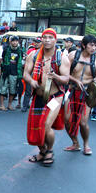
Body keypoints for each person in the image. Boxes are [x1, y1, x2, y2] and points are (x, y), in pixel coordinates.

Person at [23, 28, 69, 167]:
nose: (47, 40)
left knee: (46, 125)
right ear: (41, 39)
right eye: (45, 37)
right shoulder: (34, 55)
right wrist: (31, 81)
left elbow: (66, 79)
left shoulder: (61, 57)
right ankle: (42, 151)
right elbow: (25, 74)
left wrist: (55, 76)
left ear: (55, 40)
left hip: (55, 97)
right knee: (36, 127)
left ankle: (49, 150)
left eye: (50, 37)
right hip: (38, 96)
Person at [63, 35, 96, 155]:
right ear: (84, 45)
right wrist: (75, 81)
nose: (93, 47)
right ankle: (75, 143)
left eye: (95, 45)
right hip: (72, 91)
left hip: (87, 93)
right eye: (91, 45)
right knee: (67, 120)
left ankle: (86, 144)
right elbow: (64, 73)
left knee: (83, 122)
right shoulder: (73, 55)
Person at [0, 35, 24, 111]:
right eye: (13, 41)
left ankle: (9, 105)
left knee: (13, 90)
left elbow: (20, 62)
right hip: (6, 72)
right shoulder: (6, 49)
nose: (15, 42)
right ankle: (2, 105)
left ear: (18, 42)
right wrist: (1, 69)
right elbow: (2, 59)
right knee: (3, 88)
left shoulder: (20, 51)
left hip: (15, 73)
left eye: (16, 41)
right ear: (10, 42)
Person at [22, 37, 42, 112]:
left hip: (40, 75)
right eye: (35, 42)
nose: (36, 43)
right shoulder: (31, 51)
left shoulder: (45, 52)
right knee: (28, 91)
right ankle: (25, 105)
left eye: (38, 42)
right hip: (31, 74)